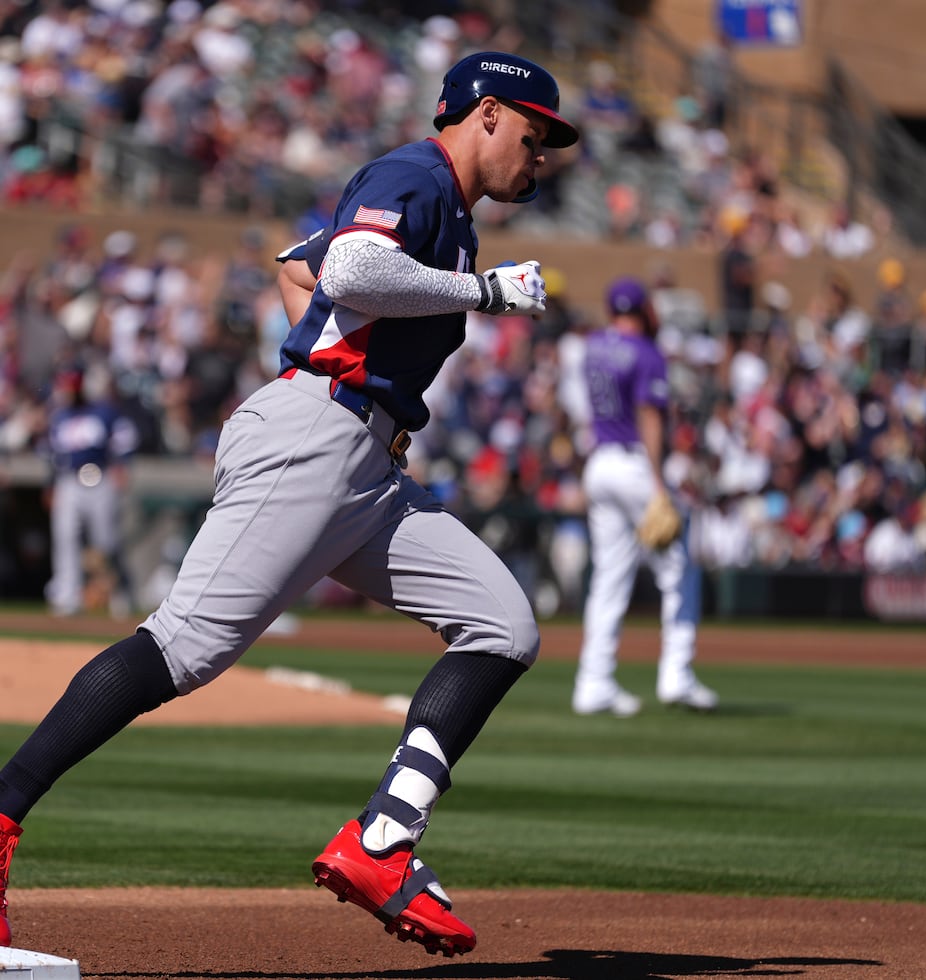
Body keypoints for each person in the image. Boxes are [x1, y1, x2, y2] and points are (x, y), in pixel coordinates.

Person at [0, 50, 579, 958]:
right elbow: (347, 271)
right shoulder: (416, 176)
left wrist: (334, 341)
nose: (539, 159)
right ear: (490, 115)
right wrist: (481, 293)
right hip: (319, 437)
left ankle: (385, 837)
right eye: (535, 137)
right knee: (182, 649)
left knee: (503, 624)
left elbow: (297, 269)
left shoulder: (442, 208)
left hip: (365, 465)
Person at [572, 277, 718, 717]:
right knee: (679, 568)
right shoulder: (647, 352)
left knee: (609, 578)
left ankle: (593, 682)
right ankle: (677, 674)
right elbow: (650, 417)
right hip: (635, 463)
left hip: (599, 462)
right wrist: (659, 485)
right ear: (644, 309)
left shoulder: (592, 346)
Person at [42, 365, 139, 617]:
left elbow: (125, 438)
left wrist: (121, 465)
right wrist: (50, 484)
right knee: (66, 536)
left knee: (106, 541)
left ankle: (120, 593)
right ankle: (67, 595)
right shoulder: (59, 416)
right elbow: (52, 454)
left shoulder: (103, 411)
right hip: (69, 480)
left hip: (100, 476)